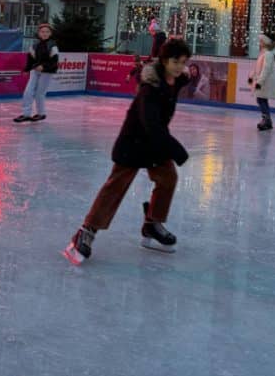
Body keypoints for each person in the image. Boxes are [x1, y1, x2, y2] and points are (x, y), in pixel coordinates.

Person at [64, 39, 192, 263]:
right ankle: (86, 232)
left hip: (156, 142)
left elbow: (184, 78)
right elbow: (151, 124)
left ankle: (153, 224)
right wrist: (176, 149)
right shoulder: (150, 89)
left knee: (168, 178)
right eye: (175, 61)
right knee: (116, 186)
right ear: (164, 60)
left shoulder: (178, 78)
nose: (179, 67)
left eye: (183, 62)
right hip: (134, 140)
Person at [13, 23, 59, 123]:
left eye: (47, 32)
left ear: (50, 33)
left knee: (40, 93)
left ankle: (41, 113)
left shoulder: (53, 45)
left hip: (47, 72)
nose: (45, 33)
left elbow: (54, 61)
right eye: (42, 32)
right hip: (35, 71)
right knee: (28, 91)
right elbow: (30, 58)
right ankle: (26, 114)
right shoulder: (35, 45)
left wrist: (43, 66)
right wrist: (26, 69)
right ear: (39, 33)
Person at [249, 32, 275, 131]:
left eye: (261, 41)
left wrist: (260, 82)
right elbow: (257, 67)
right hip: (262, 80)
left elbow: (266, 69)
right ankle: (267, 120)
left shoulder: (268, 54)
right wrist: (251, 76)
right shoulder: (263, 53)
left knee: (261, 100)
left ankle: (266, 120)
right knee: (262, 100)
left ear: (266, 42)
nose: (260, 42)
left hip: (266, 81)